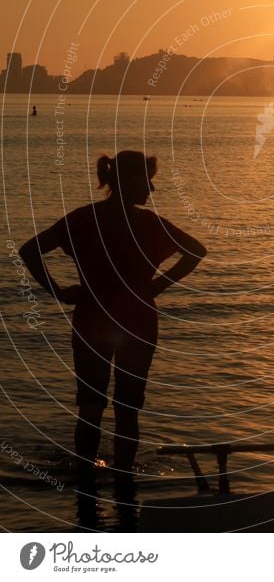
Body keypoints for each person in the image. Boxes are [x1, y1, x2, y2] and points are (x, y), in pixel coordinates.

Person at [19, 150, 207, 476]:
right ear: (128, 181)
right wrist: (157, 287)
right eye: (147, 180)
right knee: (127, 408)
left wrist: (59, 292)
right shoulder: (150, 225)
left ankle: (85, 483)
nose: (151, 189)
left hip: (93, 320)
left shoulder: (81, 220)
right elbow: (196, 251)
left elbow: (29, 250)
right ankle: (124, 481)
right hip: (138, 323)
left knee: (91, 407)